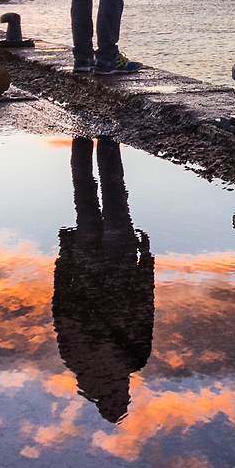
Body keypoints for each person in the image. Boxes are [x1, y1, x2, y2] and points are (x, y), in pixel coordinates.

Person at [51, 136, 153, 423]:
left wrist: (146, 261)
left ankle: (105, 137)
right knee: (85, 191)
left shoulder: (133, 358)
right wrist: (64, 258)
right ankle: (84, 138)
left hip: (116, 261)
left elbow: (144, 305)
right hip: (87, 261)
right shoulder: (76, 360)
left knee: (112, 192)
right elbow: (62, 308)